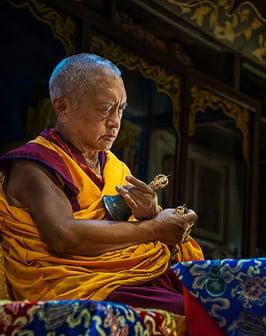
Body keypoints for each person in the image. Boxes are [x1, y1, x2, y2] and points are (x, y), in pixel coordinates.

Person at [0, 53, 203, 315]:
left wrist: (149, 213)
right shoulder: (35, 164)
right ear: (63, 108)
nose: (116, 122)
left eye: (120, 109)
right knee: (192, 314)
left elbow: (124, 232)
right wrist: (153, 228)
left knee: (212, 302)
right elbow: (63, 236)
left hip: (128, 274)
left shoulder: (114, 167)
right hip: (77, 284)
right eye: (105, 109)